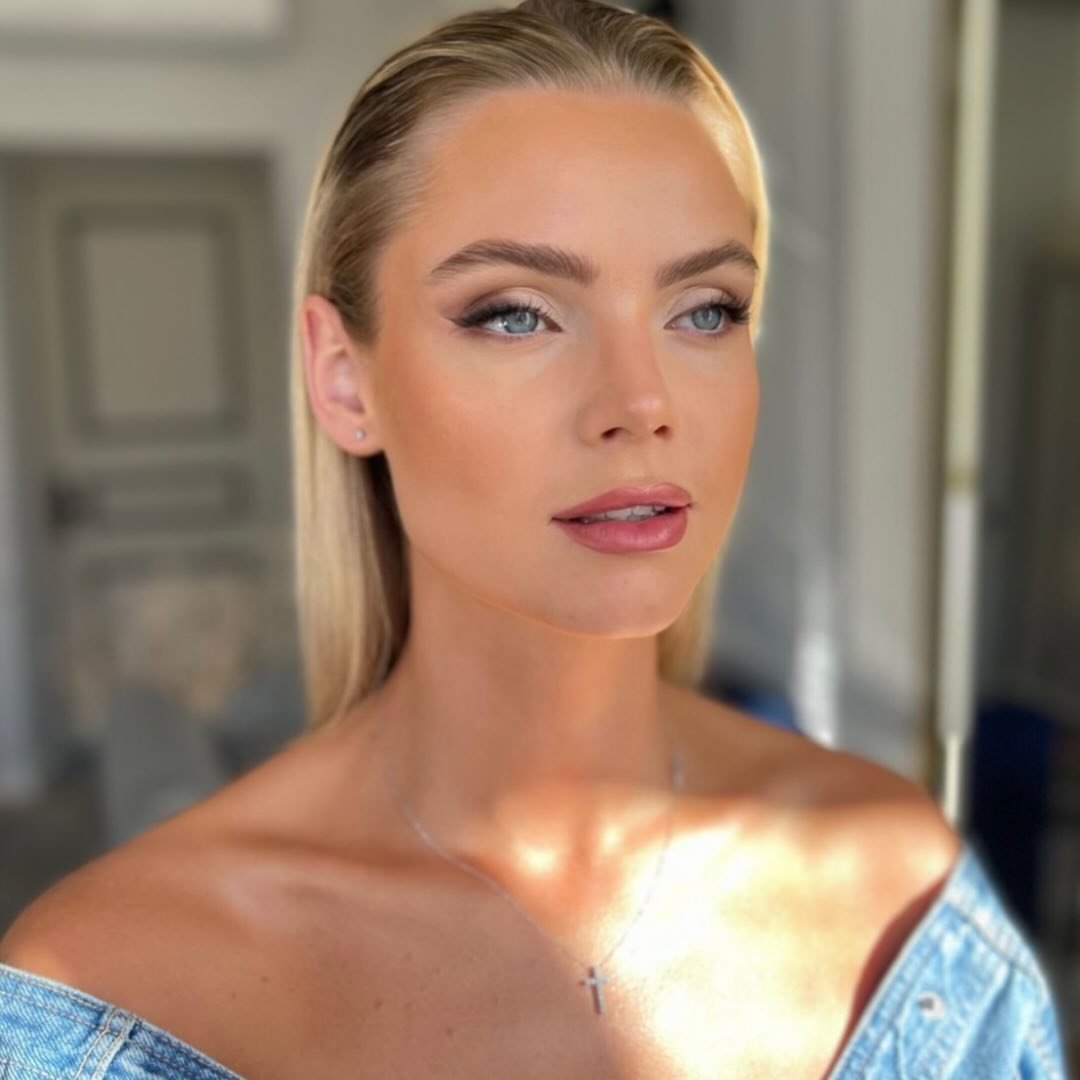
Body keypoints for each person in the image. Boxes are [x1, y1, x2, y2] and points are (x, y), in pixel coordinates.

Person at [0, 1, 1069, 1077]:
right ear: (344, 379)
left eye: (705, 309)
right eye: (516, 312)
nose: (641, 402)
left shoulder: (906, 899)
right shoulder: (110, 987)